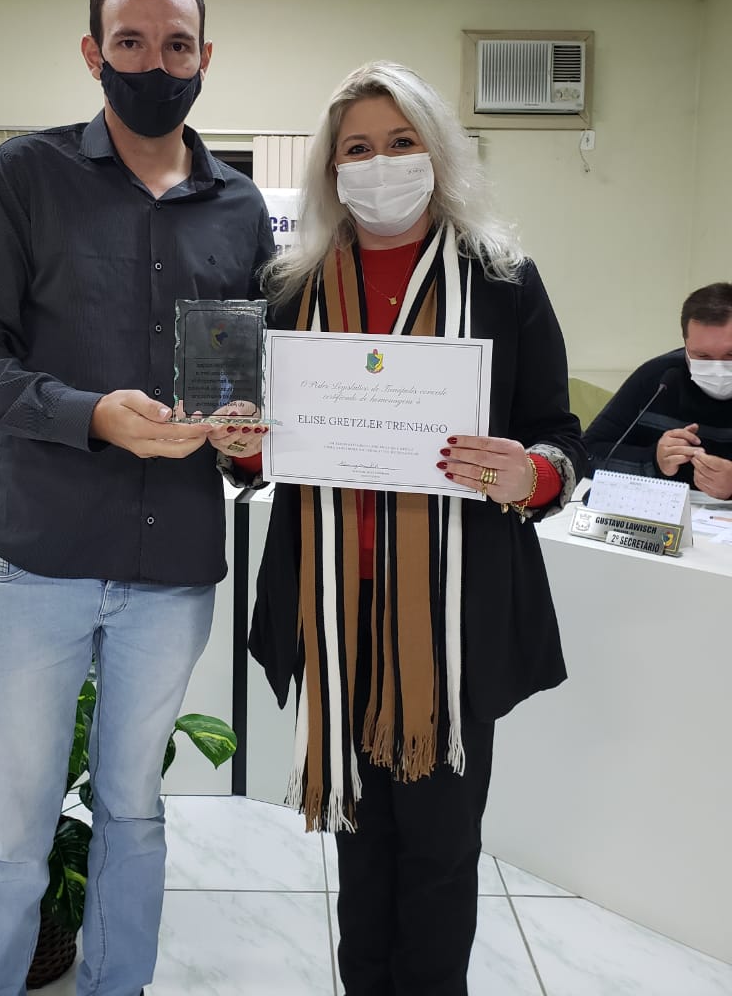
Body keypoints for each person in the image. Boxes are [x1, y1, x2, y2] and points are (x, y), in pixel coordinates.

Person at [0, 0, 274, 996]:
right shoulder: (25, 175)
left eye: (176, 45)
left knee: (135, 809)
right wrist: (92, 416)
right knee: (15, 825)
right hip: (36, 558)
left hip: (172, 568)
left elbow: (246, 377)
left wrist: (248, 436)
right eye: (131, 43)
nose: (154, 64)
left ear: (206, 56)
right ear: (94, 53)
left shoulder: (241, 208)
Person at [247, 61, 584, 996]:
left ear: (438, 154)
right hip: (336, 610)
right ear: (330, 169)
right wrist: (242, 445)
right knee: (360, 848)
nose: (380, 163)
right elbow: (260, 443)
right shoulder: (291, 288)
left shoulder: (503, 281)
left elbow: (561, 438)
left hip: (454, 619)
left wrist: (531, 472)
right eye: (357, 148)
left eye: (401, 143)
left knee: (439, 851)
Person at [583, 282, 732, 498]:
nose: (718, 368)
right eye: (703, 356)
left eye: (730, 355)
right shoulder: (658, 378)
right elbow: (586, 453)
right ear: (685, 345)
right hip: (661, 512)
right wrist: (653, 461)